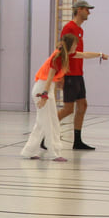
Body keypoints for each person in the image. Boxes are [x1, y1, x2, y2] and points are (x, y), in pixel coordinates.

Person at [56, 0, 109, 151]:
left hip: (79, 74)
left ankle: (77, 140)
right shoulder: (69, 28)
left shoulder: (80, 30)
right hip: (70, 74)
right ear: (79, 10)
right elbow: (63, 52)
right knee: (67, 109)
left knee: (83, 105)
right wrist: (61, 75)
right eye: (87, 10)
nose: (89, 13)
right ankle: (44, 134)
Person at [20, 33, 78, 162]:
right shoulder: (57, 57)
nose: (76, 46)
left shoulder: (64, 55)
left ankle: (28, 151)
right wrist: (45, 95)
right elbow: (50, 77)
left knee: (42, 122)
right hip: (42, 89)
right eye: (75, 44)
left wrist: (100, 55)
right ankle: (54, 153)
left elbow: (83, 55)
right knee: (49, 123)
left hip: (46, 88)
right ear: (69, 45)